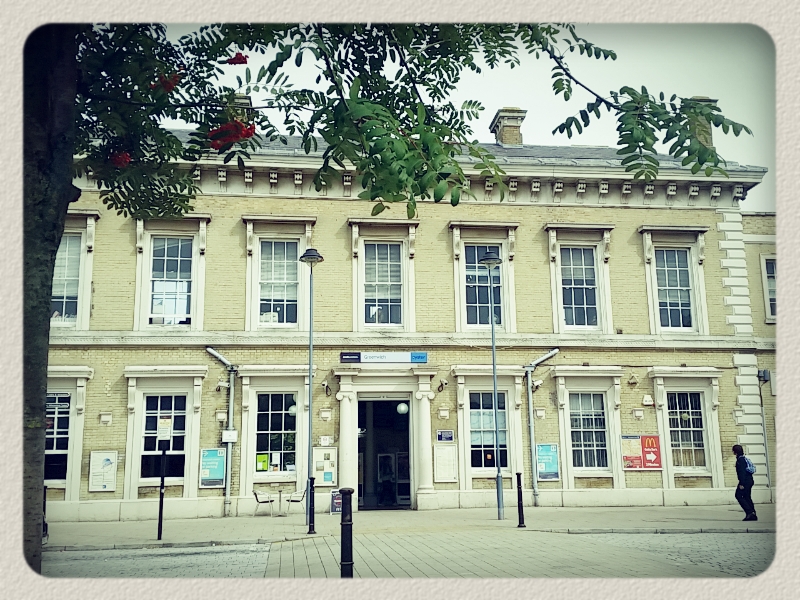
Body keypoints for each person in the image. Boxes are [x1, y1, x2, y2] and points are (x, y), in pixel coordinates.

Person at [732, 444, 757, 521]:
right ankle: (753, 513)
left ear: (735, 452)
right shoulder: (744, 458)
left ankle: (749, 512)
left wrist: (741, 483)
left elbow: (742, 472)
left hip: (745, 481)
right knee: (747, 496)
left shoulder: (740, 460)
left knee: (738, 495)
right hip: (749, 480)